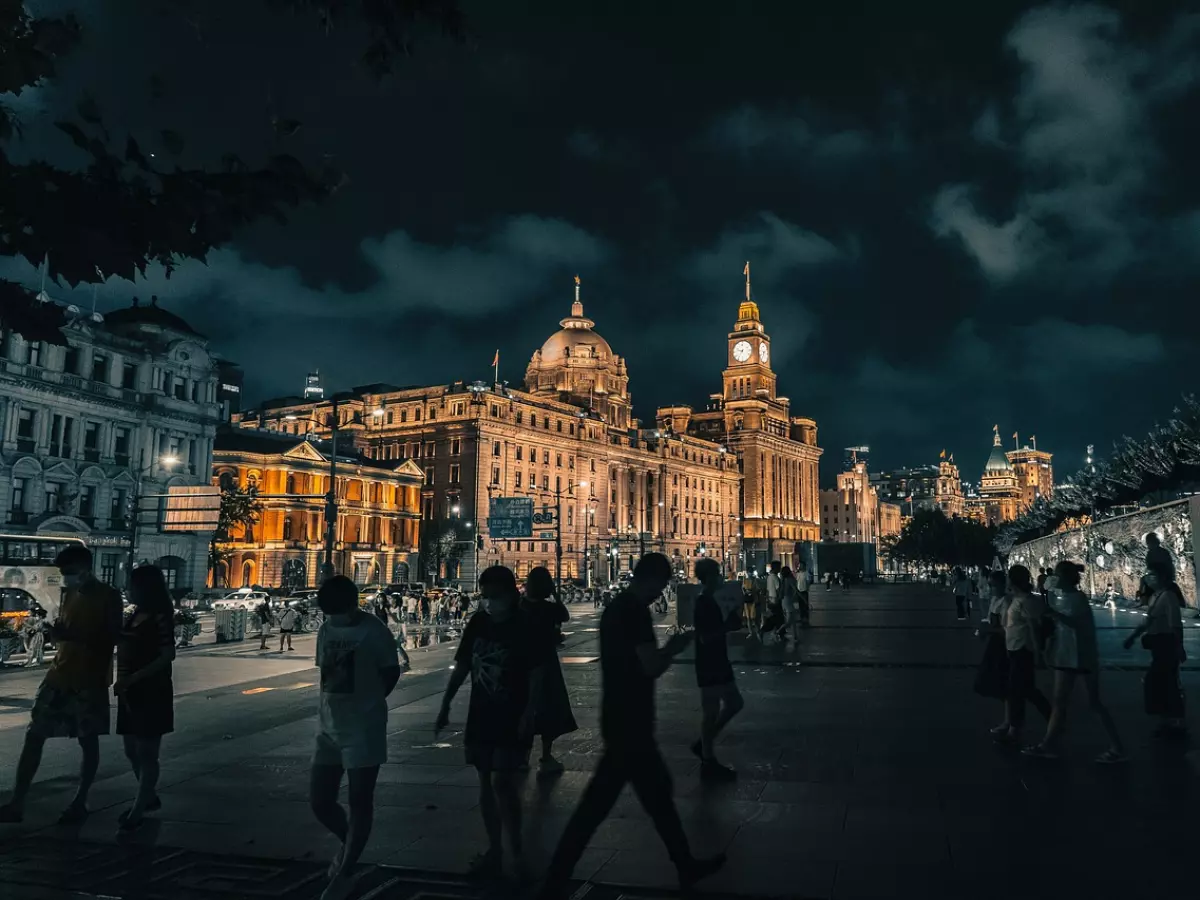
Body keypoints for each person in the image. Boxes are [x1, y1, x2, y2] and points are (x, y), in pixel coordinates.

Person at [537, 554, 725, 899]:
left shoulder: (615, 608)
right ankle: (554, 880)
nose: (661, 593)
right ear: (651, 579)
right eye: (662, 585)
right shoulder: (635, 612)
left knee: (656, 797)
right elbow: (650, 666)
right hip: (629, 722)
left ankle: (684, 863)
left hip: (620, 715)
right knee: (596, 809)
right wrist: (674, 647)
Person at [0, 545, 122, 824]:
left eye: (69, 572)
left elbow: (112, 637)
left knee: (88, 740)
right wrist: (56, 632)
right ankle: (17, 802)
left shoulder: (109, 597)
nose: (66, 577)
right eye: (63, 572)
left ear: (86, 568)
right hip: (59, 675)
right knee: (34, 735)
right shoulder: (68, 595)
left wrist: (73, 635)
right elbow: (64, 636)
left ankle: (81, 799)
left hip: (89, 679)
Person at [436, 566, 540, 881]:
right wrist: (446, 703)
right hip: (481, 715)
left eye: (495, 596)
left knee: (504, 785)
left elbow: (540, 672)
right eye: (486, 595)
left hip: (512, 714)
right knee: (485, 784)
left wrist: (530, 712)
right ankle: (496, 850)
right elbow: (464, 663)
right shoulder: (479, 622)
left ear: (511, 594)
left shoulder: (526, 625)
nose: (489, 601)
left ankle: (517, 852)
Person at [310, 576, 402, 900]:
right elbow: (325, 673)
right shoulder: (325, 630)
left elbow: (391, 671)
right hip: (328, 726)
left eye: (338, 610)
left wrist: (372, 701)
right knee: (320, 801)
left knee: (360, 800)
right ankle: (351, 843)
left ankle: (346, 870)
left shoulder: (374, 630)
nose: (334, 617)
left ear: (353, 604)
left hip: (364, 727)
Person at [1023, 561, 1126, 763]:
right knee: (1060, 702)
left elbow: (1074, 624)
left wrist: (1053, 615)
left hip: (1081, 656)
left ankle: (1117, 747)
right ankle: (1048, 744)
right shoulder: (1059, 597)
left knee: (1092, 703)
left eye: (1058, 574)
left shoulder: (1077, 599)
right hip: (1066, 655)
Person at [115, 565, 177, 828]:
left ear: (145, 588)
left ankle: (138, 809)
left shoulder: (160, 616)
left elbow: (167, 655)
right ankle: (148, 796)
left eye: (132, 586)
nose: (129, 590)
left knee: (147, 751)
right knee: (131, 749)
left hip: (151, 690)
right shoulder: (135, 614)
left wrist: (134, 677)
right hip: (129, 690)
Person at [691, 558, 744, 780]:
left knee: (733, 704)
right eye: (718, 573)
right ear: (710, 577)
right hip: (709, 662)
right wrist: (727, 626)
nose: (721, 576)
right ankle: (707, 757)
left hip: (716, 660)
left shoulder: (711, 600)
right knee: (712, 711)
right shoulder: (704, 602)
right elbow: (705, 636)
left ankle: (705, 746)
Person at [521, 567, 578, 776]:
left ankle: (523, 757)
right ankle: (546, 755)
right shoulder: (549, 608)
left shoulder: (521, 606)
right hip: (546, 662)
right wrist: (555, 594)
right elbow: (565, 615)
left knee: (525, 708)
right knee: (549, 709)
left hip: (524, 663)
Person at [1123, 563, 1187, 739]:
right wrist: (1133, 637)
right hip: (1159, 646)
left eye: (1152, 575)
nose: (1149, 579)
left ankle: (1175, 721)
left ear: (1163, 578)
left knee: (1163, 682)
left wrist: (1179, 647)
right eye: (1148, 575)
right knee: (1162, 683)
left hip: (1167, 644)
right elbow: (1148, 622)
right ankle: (1168, 720)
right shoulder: (1156, 596)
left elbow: (1175, 625)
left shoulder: (1168, 597)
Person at [995, 565, 1051, 746]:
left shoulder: (1026, 601)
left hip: (1022, 649)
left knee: (1017, 690)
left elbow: (1033, 628)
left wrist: (1038, 653)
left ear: (1013, 580)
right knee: (1027, 690)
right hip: (1014, 648)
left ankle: (1015, 730)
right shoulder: (1016, 599)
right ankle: (1054, 718)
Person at [976, 571, 1011, 733]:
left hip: (1006, 646)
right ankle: (1009, 721)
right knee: (1005, 685)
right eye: (989, 585)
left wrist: (987, 630)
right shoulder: (995, 600)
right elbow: (991, 621)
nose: (990, 588)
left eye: (993, 585)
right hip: (996, 643)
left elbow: (1006, 629)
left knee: (1009, 686)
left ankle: (1010, 723)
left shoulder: (1006, 602)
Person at [776, 565, 800, 643]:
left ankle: (796, 636)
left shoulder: (783, 580)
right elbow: (795, 590)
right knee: (789, 621)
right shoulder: (789, 580)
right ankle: (777, 632)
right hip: (788, 601)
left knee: (793, 620)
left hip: (784, 600)